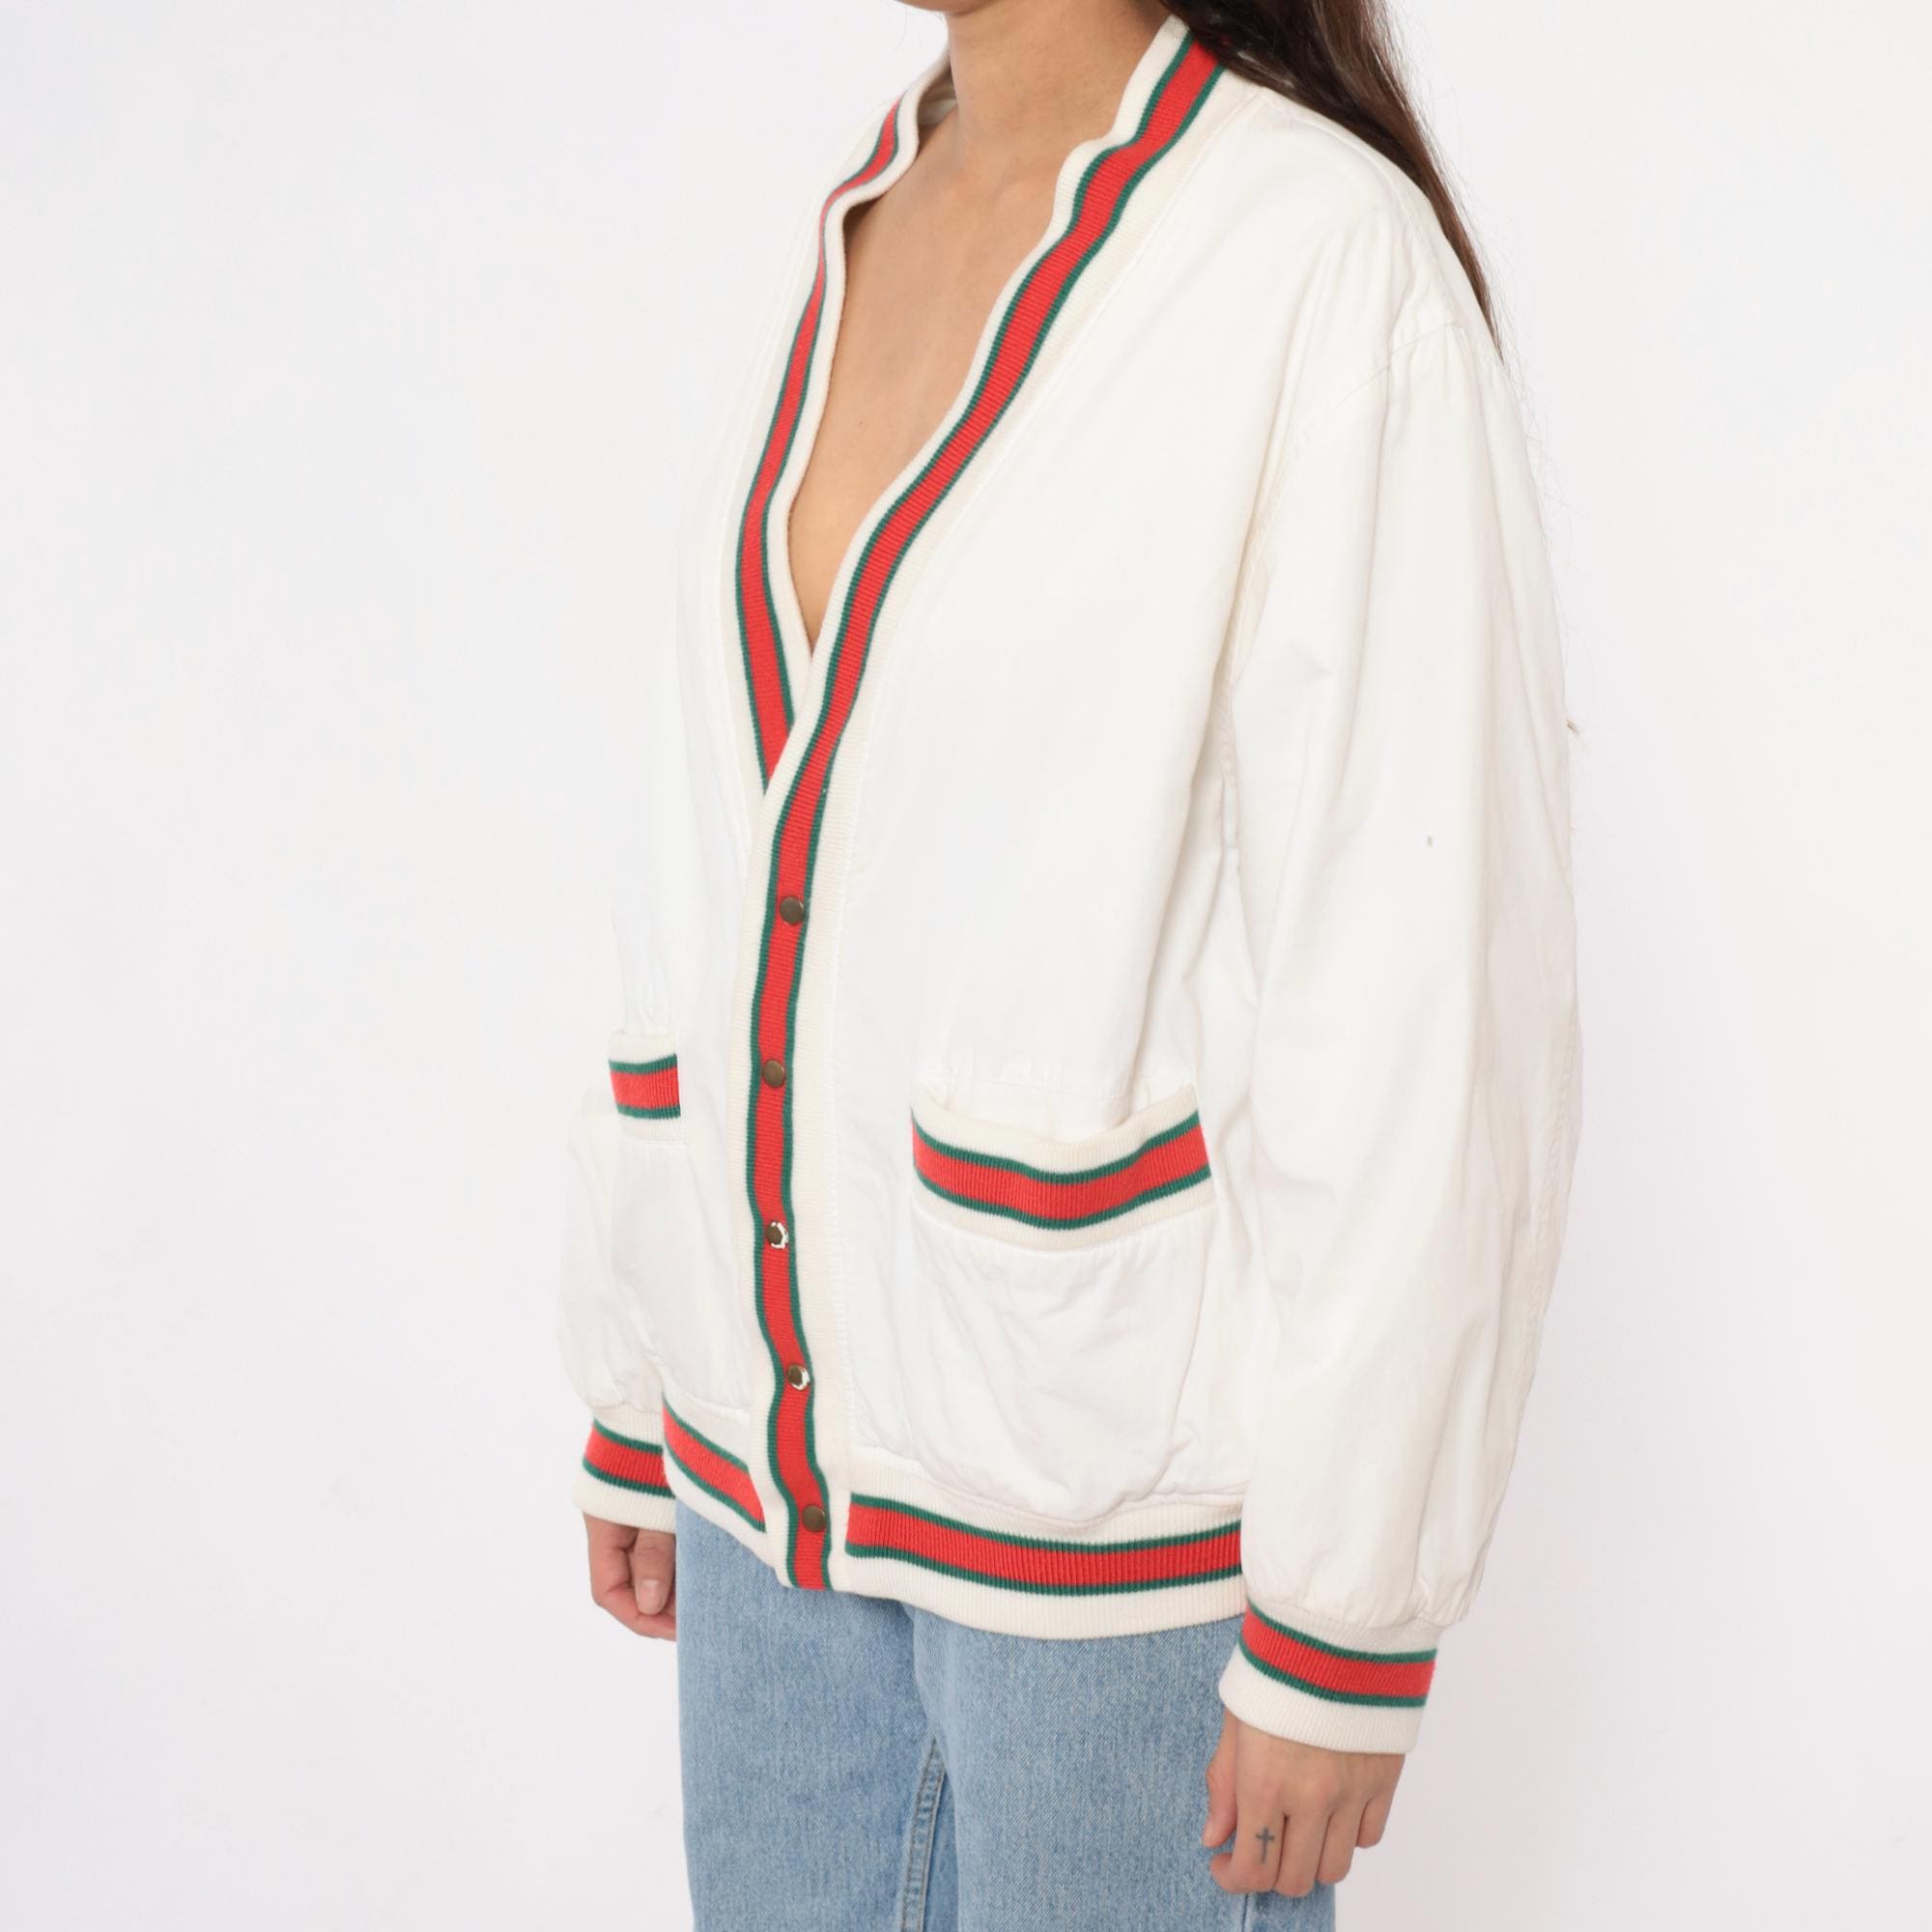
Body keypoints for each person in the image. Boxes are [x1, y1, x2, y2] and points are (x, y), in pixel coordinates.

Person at [555, 0, 1581, 1923]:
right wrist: (647, 1363)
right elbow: (709, 835)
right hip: (772, 1519)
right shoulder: (858, 211)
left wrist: (1347, 1612)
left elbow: (1419, 969)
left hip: (1108, 1552)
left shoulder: (1314, 258)